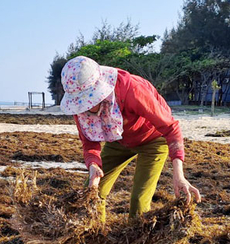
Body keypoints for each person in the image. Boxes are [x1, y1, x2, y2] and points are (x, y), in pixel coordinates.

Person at [60, 56, 201, 224]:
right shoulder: (79, 106)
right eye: (80, 103)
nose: (85, 107)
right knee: (92, 192)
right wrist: (93, 166)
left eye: (87, 101)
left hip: (153, 139)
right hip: (118, 138)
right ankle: (97, 242)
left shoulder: (131, 89)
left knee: (139, 201)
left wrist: (179, 175)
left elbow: (171, 128)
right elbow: (89, 142)